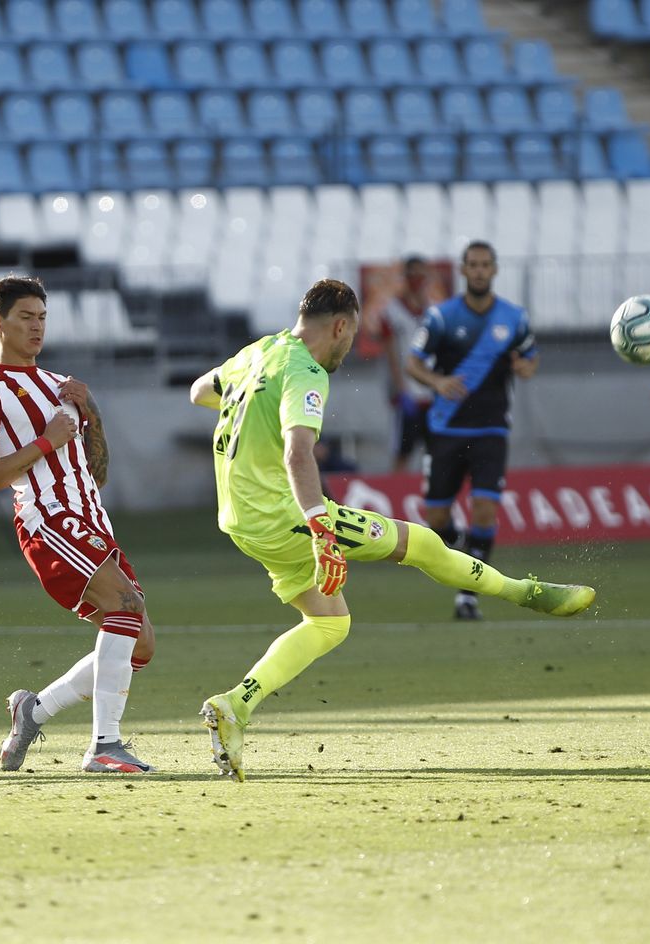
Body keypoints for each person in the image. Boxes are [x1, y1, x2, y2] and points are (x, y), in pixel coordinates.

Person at [191, 279, 594, 782]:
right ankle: (526, 592)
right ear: (340, 325)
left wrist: (250, 403)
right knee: (422, 543)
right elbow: (298, 453)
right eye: (352, 335)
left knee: (330, 623)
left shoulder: (258, 353)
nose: (352, 346)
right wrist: (321, 526)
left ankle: (235, 706)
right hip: (286, 514)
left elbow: (200, 391)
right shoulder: (305, 370)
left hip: (239, 518)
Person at [0, 275, 156, 775]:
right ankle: (104, 747)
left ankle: (34, 710)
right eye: (25, 317)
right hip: (47, 519)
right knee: (126, 607)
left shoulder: (61, 386)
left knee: (141, 643)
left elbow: (99, 472)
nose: (36, 327)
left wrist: (92, 411)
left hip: (91, 518)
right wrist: (45, 443)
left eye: (42, 317)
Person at [404, 241, 536, 621]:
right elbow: (412, 362)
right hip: (446, 427)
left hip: (492, 427)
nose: (479, 271)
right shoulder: (441, 317)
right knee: (437, 517)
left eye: (485, 265)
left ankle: (468, 597)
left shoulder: (514, 317)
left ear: (494, 270)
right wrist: (437, 381)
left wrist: (525, 368)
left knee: (484, 509)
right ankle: (464, 550)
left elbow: (530, 356)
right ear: (463, 271)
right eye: (473, 265)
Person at [379, 255, 438, 473]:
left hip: (432, 393)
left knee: (438, 452)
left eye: (420, 275)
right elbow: (391, 352)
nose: (416, 280)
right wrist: (399, 388)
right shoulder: (392, 310)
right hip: (408, 393)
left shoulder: (435, 311)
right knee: (403, 451)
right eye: (412, 274)